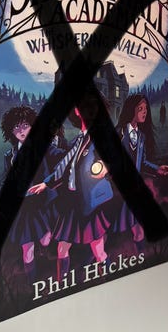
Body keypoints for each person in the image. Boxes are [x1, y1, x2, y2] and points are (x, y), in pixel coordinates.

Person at [29, 91, 114, 280]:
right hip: (74, 204)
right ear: (76, 110)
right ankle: (61, 283)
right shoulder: (77, 140)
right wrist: (46, 184)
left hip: (90, 204)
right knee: (62, 248)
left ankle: (107, 276)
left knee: (98, 249)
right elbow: (63, 166)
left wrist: (104, 167)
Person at [0, 105, 67, 283]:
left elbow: (63, 156)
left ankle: (44, 252)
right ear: (10, 131)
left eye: (25, 125)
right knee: (27, 249)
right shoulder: (10, 155)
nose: (21, 131)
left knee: (46, 239)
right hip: (23, 207)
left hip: (44, 203)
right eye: (16, 127)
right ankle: (32, 284)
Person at [115, 94, 168, 251]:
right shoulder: (118, 133)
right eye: (140, 108)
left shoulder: (141, 136)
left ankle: (139, 253)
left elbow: (142, 162)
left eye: (146, 108)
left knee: (138, 229)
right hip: (119, 189)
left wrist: (157, 168)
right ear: (131, 110)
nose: (144, 112)